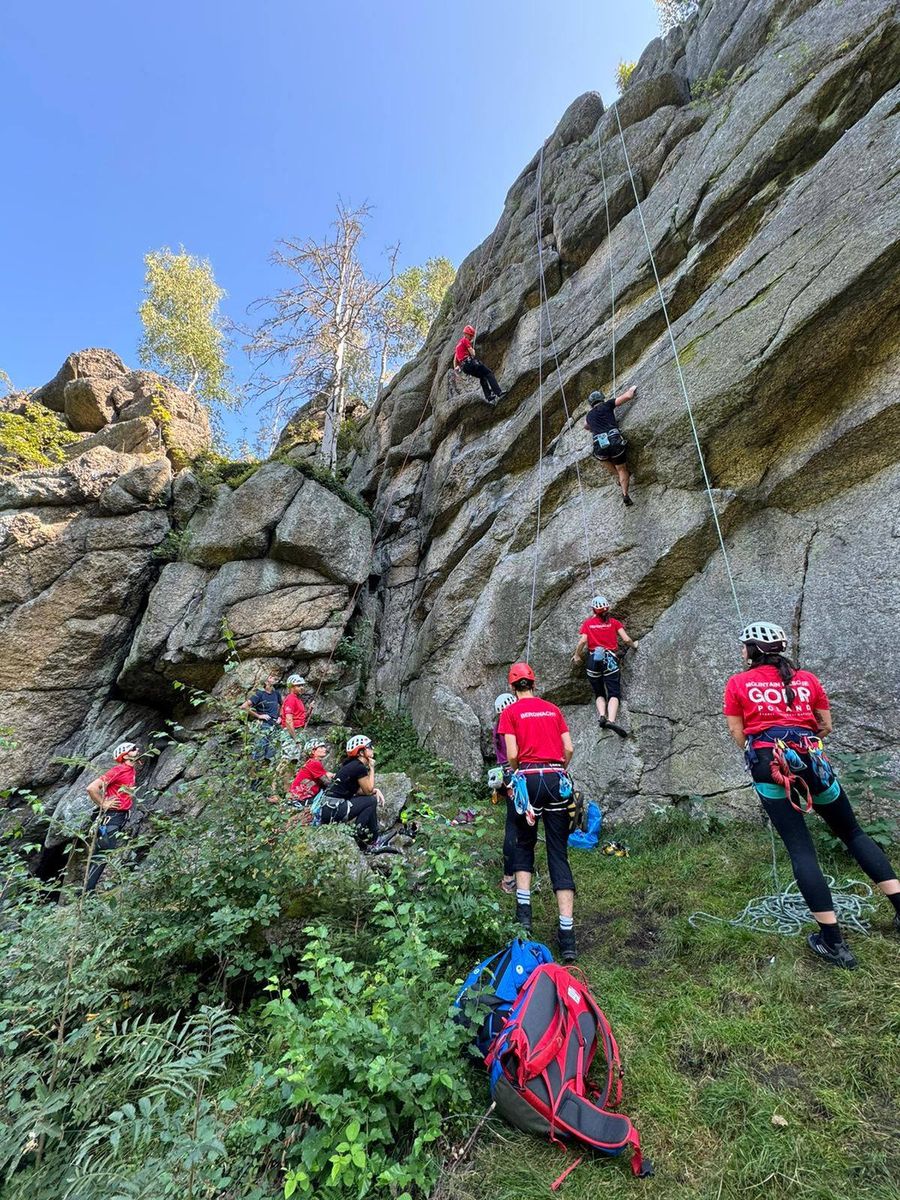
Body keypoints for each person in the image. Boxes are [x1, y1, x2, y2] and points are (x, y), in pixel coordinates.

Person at [723, 621, 900, 969]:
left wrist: (766, 751)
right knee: (852, 832)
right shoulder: (807, 679)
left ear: (753, 650)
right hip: (812, 761)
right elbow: (825, 725)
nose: (742, 651)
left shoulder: (738, 683)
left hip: (770, 764)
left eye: (744, 646)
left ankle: (833, 942)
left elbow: (737, 732)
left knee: (801, 848)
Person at [497, 663, 578, 962]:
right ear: (534, 682)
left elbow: (514, 755)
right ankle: (567, 938)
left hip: (528, 779)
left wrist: (519, 776)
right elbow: (568, 748)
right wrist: (559, 769)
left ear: (512, 687)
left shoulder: (510, 712)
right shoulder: (553, 709)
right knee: (558, 853)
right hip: (556, 777)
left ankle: (524, 919)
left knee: (524, 844)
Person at [572, 595, 639, 737]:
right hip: (609, 660)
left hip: (593, 660)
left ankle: (602, 715)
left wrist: (577, 655)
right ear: (608, 608)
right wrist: (635, 645)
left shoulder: (588, 623)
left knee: (599, 692)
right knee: (613, 692)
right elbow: (626, 639)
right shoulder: (614, 622)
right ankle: (611, 720)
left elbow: (582, 641)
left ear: (594, 610)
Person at [83, 741, 141, 892]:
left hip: (119, 817)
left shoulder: (130, 769)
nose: (138, 750)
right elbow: (91, 788)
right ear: (125, 754)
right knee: (103, 854)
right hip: (112, 817)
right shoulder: (119, 769)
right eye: (133, 749)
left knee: (100, 854)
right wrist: (103, 803)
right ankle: (87, 892)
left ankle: (85, 891)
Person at [318, 734, 381, 845]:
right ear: (361, 752)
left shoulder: (350, 765)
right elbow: (368, 791)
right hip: (335, 808)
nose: (372, 749)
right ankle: (361, 836)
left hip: (328, 809)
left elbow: (357, 791)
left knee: (369, 799)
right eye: (369, 746)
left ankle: (373, 837)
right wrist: (372, 768)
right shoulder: (359, 767)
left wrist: (375, 790)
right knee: (371, 801)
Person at [585, 386, 637, 506]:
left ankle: (618, 477)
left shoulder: (589, 415)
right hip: (614, 441)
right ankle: (625, 494)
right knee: (622, 469)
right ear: (602, 399)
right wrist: (632, 389)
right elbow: (628, 396)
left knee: (601, 458)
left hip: (599, 445)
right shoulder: (607, 405)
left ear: (591, 404)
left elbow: (586, 426)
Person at [493, 692, 518, 895]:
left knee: (514, 823)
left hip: (506, 775)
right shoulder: (507, 724)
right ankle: (509, 877)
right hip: (514, 775)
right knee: (514, 825)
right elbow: (513, 753)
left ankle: (512, 875)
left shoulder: (500, 723)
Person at [454, 324, 505, 403]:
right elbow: (473, 353)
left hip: (465, 368)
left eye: (472, 336)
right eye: (470, 336)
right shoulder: (465, 340)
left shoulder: (458, 346)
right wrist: (472, 351)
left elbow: (455, 360)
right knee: (489, 373)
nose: (471, 338)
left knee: (482, 376)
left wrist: (456, 367)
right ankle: (498, 392)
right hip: (470, 363)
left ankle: (489, 396)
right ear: (466, 334)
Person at [242, 672, 283, 762]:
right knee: (260, 748)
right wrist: (259, 716)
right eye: (271, 676)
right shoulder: (260, 694)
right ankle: (254, 772)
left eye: (275, 677)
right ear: (266, 680)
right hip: (263, 725)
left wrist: (280, 716)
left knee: (272, 751)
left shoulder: (276, 694)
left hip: (275, 724)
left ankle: (266, 773)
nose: (274, 678)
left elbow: (282, 705)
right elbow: (244, 706)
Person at [289, 738, 334, 808]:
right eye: (321, 747)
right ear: (313, 751)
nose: (325, 749)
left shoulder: (312, 762)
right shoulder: (314, 763)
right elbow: (327, 782)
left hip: (298, 796)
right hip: (301, 798)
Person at [280, 674, 308, 763]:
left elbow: (299, 716)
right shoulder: (290, 699)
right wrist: (295, 738)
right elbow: (288, 720)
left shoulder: (297, 699)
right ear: (291, 687)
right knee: (289, 761)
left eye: (302, 685)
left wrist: (309, 709)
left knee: (295, 761)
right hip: (291, 733)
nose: (302, 688)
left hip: (297, 731)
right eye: (299, 686)